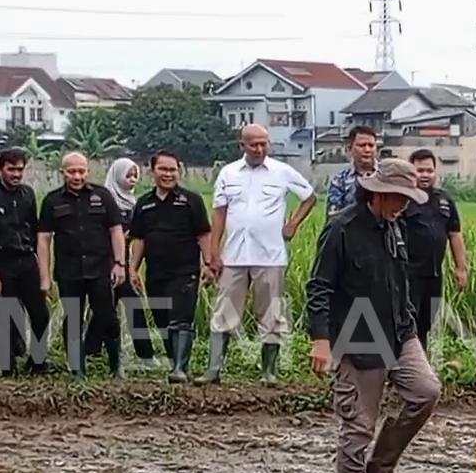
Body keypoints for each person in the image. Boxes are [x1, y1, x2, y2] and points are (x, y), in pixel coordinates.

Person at [306, 158, 442, 473]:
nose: (405, 205)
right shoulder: (342, 229)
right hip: (358, 336)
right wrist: (321, 340)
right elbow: (319, 287)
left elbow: (399, 282)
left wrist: (409, 325)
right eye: (400, 198)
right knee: (358, 427)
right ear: (380, 194)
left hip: (398, 331)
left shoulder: (393, 225)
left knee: (425, 392)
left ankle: (381, 466)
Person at [202, 124, 318, 386]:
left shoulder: (282, 171)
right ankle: (214, 370)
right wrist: (213, 255)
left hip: (270, 256)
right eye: (253, 144)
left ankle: (269, 372)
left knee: (271, 314)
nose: (259, 148)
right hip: (233, 255)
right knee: (224, 312)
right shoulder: (228, 173)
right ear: (241, 145)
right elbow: (219, 214)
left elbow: (310, 197)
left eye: (264, 143)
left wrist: (293, 224)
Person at [37, 152, 127, 382]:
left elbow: (116, 231)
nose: (77, 176)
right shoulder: (52, 201)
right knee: (73, 320)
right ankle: (77, 371)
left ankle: (116, 368)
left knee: (107, 317)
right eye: (71, 172)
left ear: (88, 171)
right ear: (62, 173)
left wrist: (120, 263)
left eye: (81, 171)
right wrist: (44, 277)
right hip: (69, 272)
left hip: (100, 269)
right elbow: (44, 239)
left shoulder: (103, 196)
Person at [128, 150, 213, 383]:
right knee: (162, 319)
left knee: (181, 319)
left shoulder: (191, 200)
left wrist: (208, 263)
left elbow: (203, 233)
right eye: (163, 169)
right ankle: (174, 363)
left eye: (172, 169)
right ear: (152, 171)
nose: (168, 174)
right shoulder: (144, 204)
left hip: (185, 270)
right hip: (156, 272)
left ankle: (180, 368)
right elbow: (139, 239)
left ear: (180, 170)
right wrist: (133, 268)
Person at [0, 146, 51, 375]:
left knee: (40, 313)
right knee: (5, 316)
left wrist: (41, 266)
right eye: (11, 170)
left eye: (20, 170)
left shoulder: (27, 194)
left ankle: (38, 362)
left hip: (26, 260)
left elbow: (34, 230)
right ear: (0, 170)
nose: (16, 174)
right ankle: (7, 367)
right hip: (1, 261)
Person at [91, 157, 157, 368]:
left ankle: (144, 354)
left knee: (130, 305)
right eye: (128, 175)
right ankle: (92, 350)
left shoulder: (133, 202)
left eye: (135, 176)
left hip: (125, 263)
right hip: (104, 263)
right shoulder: (103, 200)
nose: (132, 180)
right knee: (105, 308)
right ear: (117, 176)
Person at [404, 148, 469, 350]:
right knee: (407, 321)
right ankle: (400, 365)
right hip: (407, 273)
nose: (425, 175)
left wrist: (461, 267)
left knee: (426, 321)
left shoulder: (444, 200)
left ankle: (420, 364)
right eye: (419, 170)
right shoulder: (403, 199)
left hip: (433, 274)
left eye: (429, 171)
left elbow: (454, 234)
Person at [326, 125, 378, 214]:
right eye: (362, 145)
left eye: (371, 145)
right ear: (350, 148)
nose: (367, 150)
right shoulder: (340, 179)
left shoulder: (386, 174)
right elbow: (333, 216)